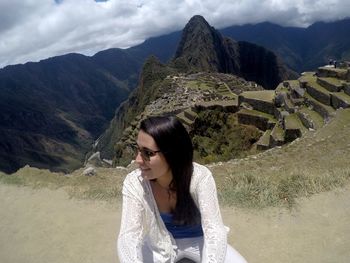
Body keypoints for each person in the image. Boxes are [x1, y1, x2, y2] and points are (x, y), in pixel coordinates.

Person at [117, 115, 247, 263]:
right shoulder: (135, 182)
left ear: (172, 154)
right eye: (138, 150)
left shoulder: (200, 178)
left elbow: (214, 231)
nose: (138, 160)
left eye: (148, 153)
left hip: (200, 241)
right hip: (158, 243)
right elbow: (129, 236)